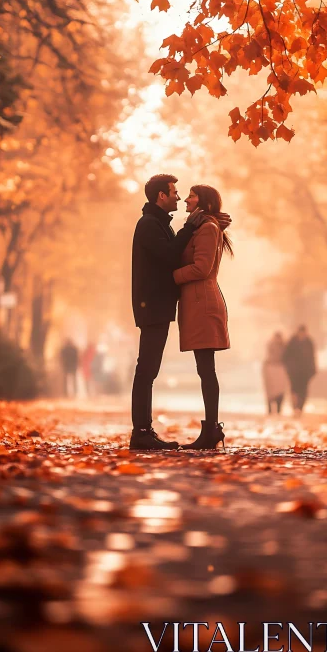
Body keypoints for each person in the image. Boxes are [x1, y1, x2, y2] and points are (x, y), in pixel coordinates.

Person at [130, 173, 208, 451]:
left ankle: (142, 431)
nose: (178, 196)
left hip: (156, 305)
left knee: (148, 369)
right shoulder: (149, 225)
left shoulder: (157, 223)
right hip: (152, 306)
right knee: (146, 370)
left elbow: (174, 252)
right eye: (174, 192)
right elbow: (171, 255)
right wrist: (189, 226)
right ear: (161, 196)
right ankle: (140, 432)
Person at [173, 184, 232, 451]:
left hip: (203, 303)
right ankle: (211, 429)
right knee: (205, 369)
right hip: (198, 302)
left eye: (192, 196)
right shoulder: (203, 226)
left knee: (206, 369)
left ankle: (211, 430)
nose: (186, 199)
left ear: (203, 202)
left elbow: (201, 268)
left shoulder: (207, 228)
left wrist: (171, 276)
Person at [283, 325, 316, 413]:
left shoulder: (309, 342)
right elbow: (286, 356)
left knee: (303, 390)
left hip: (305, 371)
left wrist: (312, 369)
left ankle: (300, 407)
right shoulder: (292, 341)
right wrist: (289, 368)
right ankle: (294, 407)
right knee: (294, 390)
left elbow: (312, 357)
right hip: (293, 372)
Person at [262, 331, 290, 414]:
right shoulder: (271, 345)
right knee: (270, 390)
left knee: (280, 390)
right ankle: (270, 408)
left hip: (280, 368)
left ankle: (278, 408)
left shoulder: (285, 346)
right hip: (272, 367)